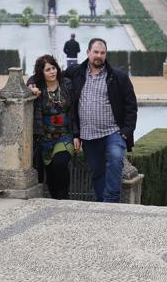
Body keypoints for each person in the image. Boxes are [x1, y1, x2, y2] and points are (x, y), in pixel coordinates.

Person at [65, 38, 137, 203]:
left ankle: (111, 201)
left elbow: (131, 105)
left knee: (116, 157)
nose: (99, 56)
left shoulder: (118, 76)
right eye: (96, 52)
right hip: (88, 134)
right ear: (88, 53)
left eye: (102, 53)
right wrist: (32, 83)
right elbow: (50, 75)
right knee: (97, 171)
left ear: (106, 54)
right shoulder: (75, 72)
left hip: (113, 131)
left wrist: (126, 131)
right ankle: (100, 202)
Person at [28, 55, 77, 200]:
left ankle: (64, 198)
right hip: (44, 139)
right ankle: (56, 201)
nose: (52, 72)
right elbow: (29, 82)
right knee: (50, 175)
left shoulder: (67, 84)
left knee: (60, 163)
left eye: (53, 68)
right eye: (47, 69)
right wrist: (31, 86)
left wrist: (76, 135)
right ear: (41, 72)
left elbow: (74, 110)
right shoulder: (38, 88)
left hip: (65, 136)